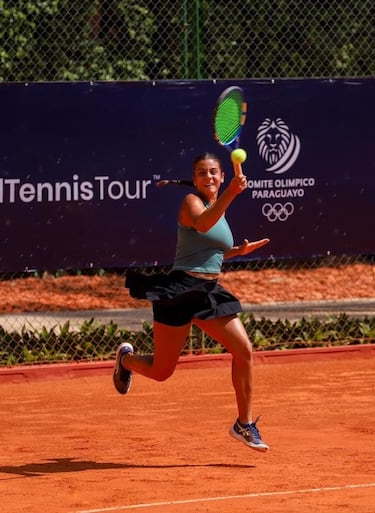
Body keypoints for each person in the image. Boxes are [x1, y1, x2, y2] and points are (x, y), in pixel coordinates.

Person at [113, 152, 271, 452]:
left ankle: (244, 424)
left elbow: (208, 251)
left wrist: (237, 251)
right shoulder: (192, 203)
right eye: (201, 173)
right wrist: (232, 193)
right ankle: (127, 360)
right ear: (195, 178)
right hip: (180, 290)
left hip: (209, 290)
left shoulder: (217, 207)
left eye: (214, 172)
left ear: (222, 175)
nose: (208, 177)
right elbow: (201, 225)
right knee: (162, 371)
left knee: (244, 350)